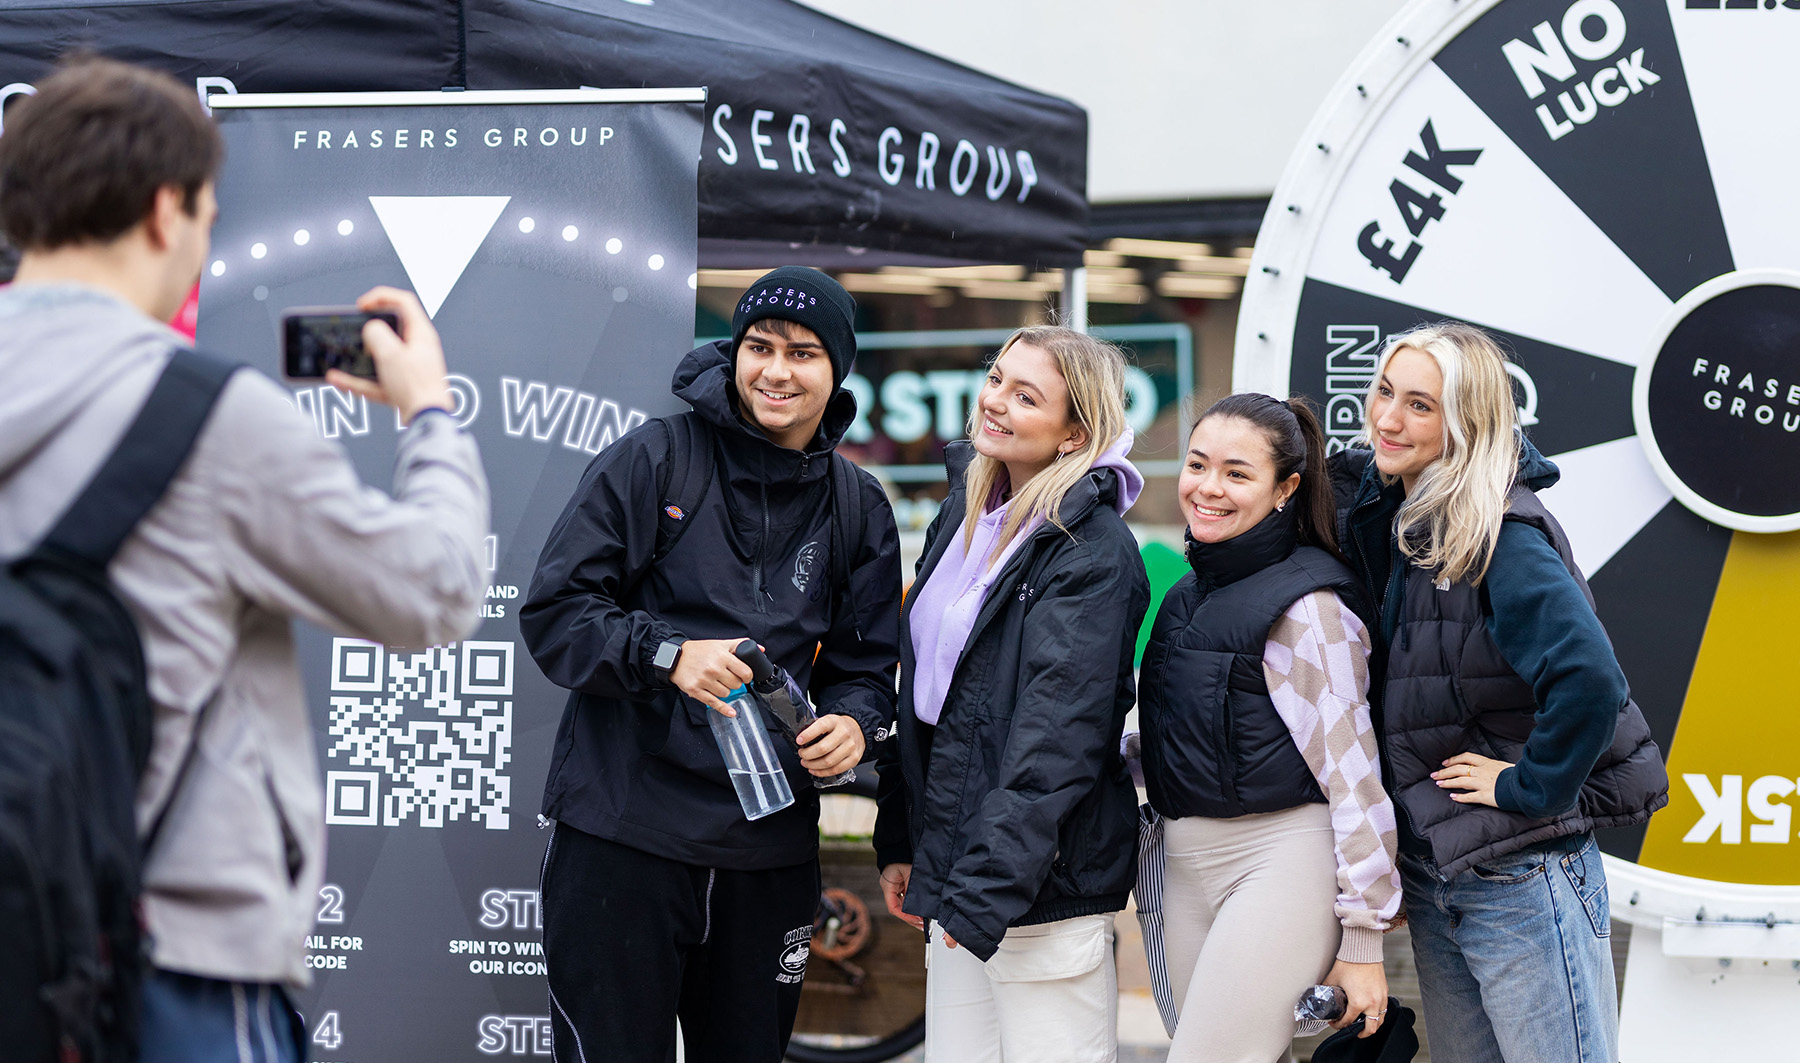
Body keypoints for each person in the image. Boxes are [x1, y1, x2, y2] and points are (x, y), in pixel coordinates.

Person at [0, 58, 490, 1063]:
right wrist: (430, 413)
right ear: (164, 209)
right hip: (170, 954)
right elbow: (433, 591)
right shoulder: (205, 417)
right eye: (210, 214)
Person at [519, 266, 903, 1063]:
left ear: (837, 370)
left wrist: (855, 725)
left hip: (767, 856)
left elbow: (866, 665)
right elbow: (556, 614)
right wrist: (665, 654)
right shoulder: (654, 459)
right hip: (623, 835)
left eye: (803, 353)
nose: (776, 369)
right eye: (758, 345)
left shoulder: (857, 504)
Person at [1333, 323, 1668, 1063]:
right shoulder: (1409, 516)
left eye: (1421, 405)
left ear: (1467, 423)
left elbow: (1589, 678)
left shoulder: (1499, 532)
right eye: (1385, 391)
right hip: (1441, 869)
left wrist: (1530, 784)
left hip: (1520, 874)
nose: (1388, 417)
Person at [872, 325, 1150, 1063]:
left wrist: (985, 884)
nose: (995, 401)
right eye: (997, 378)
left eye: (1027, 396)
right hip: (961, 873)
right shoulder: (965, 512)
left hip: (1040, 889)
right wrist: (905, 839)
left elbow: (1059, 736)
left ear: (1074, 434)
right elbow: (928, 701)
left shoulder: (1090, 549)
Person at [1133, 394, 1401, 1062]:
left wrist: (1363, 941)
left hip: (1280, 862)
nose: (1208, 488)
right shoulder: (1185, 595)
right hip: (1185, 862)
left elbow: (1355, 778)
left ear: (1286, 488)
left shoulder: (1311, 607)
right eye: (1197, 465)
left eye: (1236, 472)